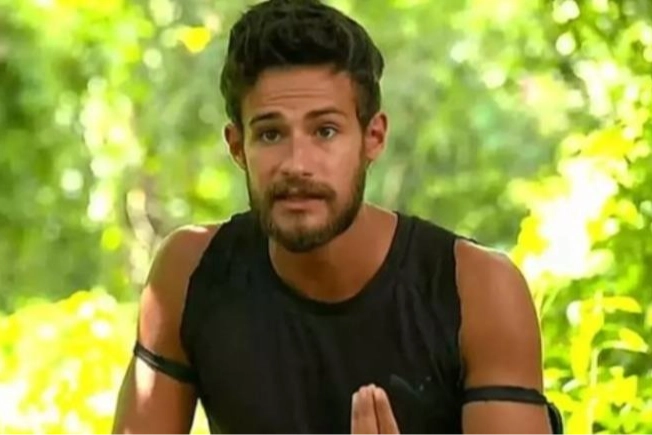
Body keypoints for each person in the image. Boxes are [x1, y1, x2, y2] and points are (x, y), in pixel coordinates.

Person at [111, 0, 555, 434]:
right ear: (237, 147)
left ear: (373, 137)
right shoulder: (190, 273)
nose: (297, 164)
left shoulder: (475, 289)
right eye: (270, 134)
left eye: (325, 131)